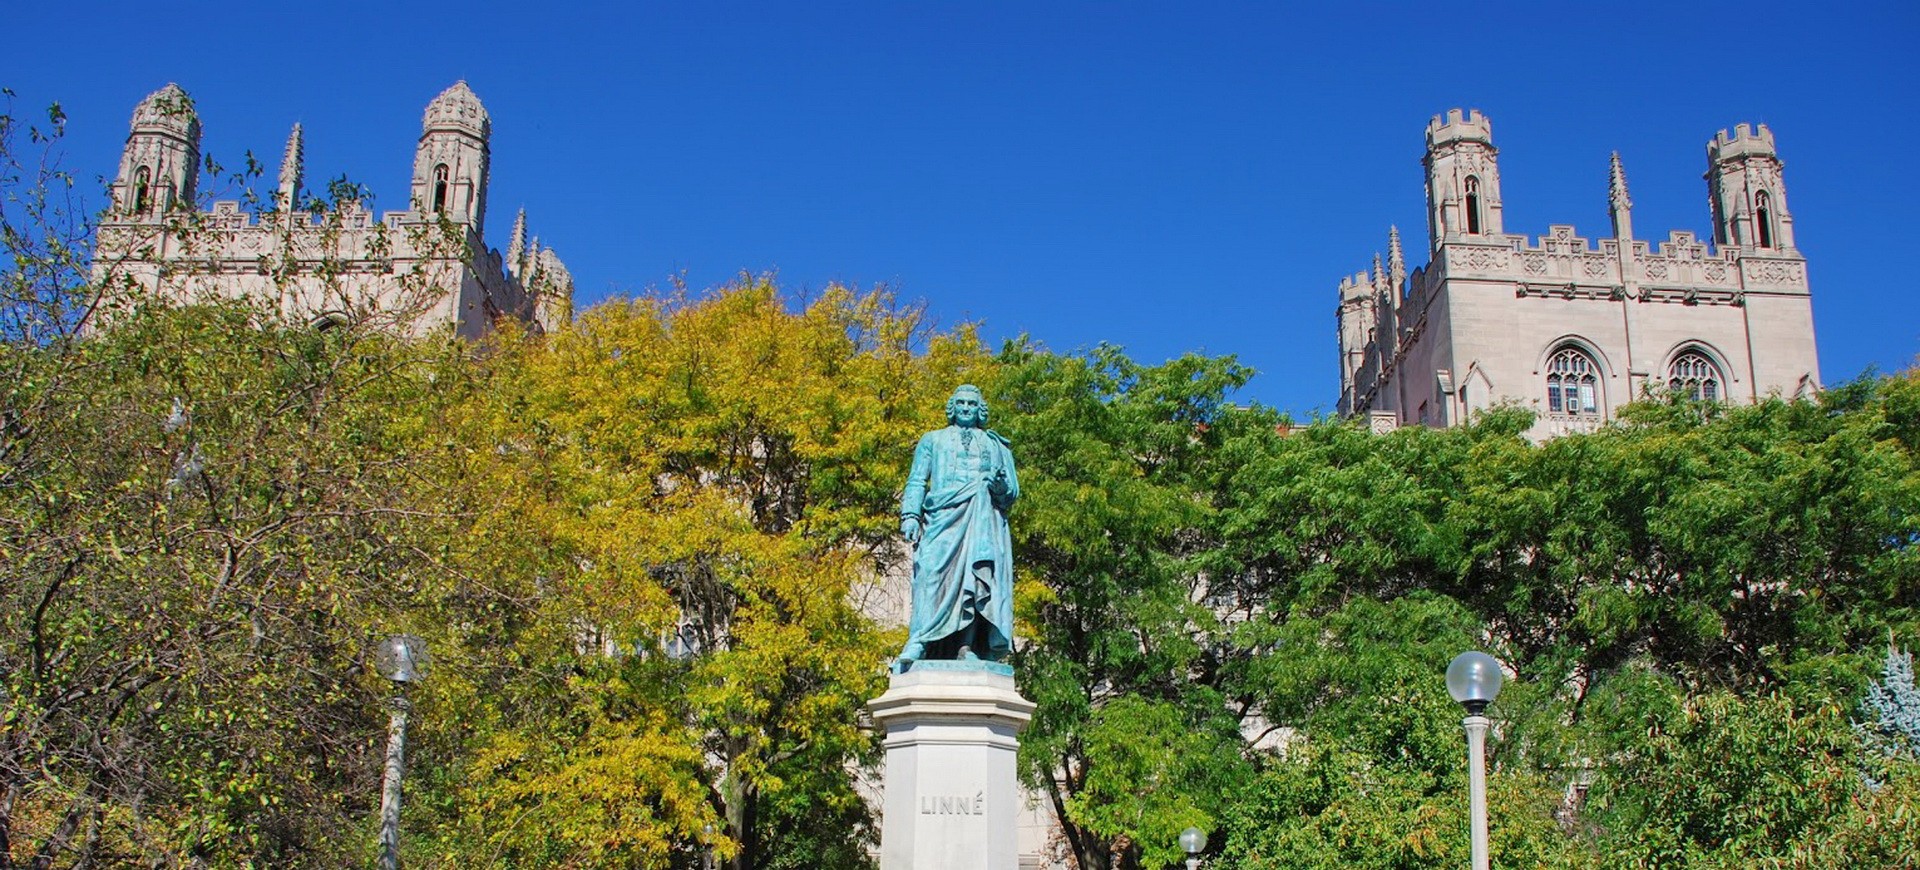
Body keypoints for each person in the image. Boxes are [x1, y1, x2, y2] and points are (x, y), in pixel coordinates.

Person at [896, 384, 1018, 669]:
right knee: (929, 574)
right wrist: (911, 515)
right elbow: (916, 480)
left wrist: (999, 484)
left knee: (975, 580)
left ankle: (966, 646)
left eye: (972, 404)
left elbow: (1010, 493)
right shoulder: (932, 440)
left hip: (981, 518)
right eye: (961, 403)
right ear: (952, 407)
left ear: (980, 410)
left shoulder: (994, 444)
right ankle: (920, 640)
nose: (966, 408)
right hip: (941, 517)